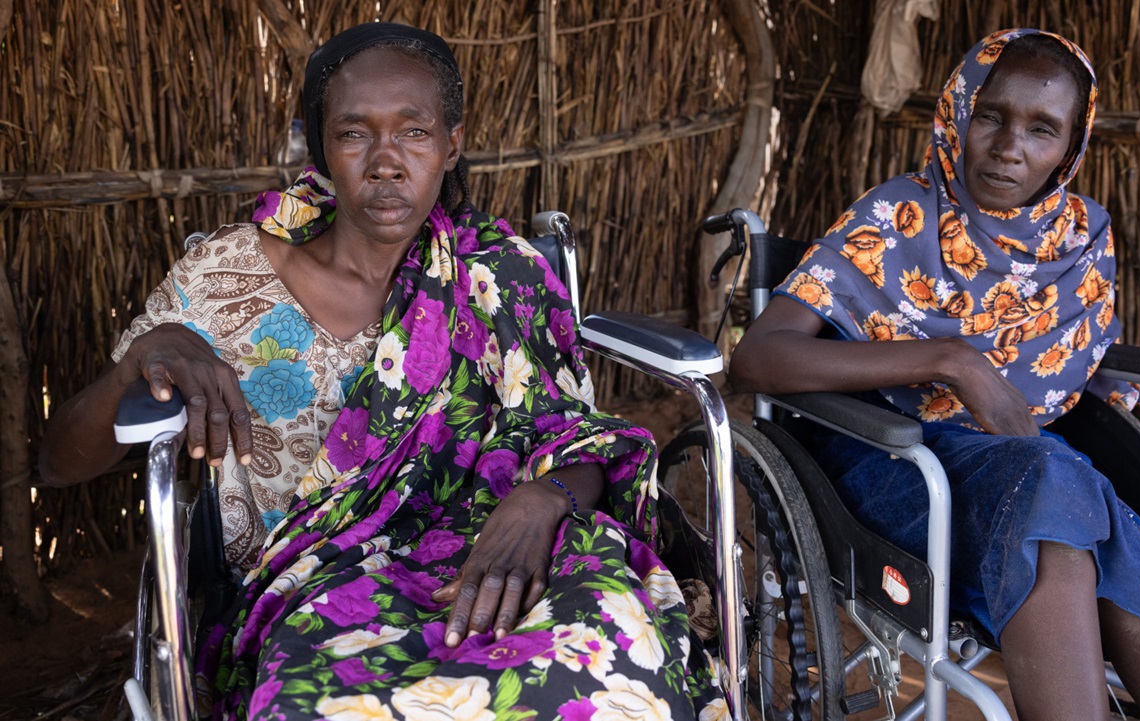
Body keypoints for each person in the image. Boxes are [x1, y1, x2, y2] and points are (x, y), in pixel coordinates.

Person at [40, 22, 724, 721]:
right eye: (354, 132)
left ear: (451, 145)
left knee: (617, 662)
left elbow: (575, 439)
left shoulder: (500, 274)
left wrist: (543, 498)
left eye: (414, 133)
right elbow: (61, 460)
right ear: (319, 147)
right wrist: (142, 352)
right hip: (314, 590)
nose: (386, 160)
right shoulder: (224, 279)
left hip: (513, 555)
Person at [729, 28, 1140, 721]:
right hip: (895, 458)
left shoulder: (1080, 236)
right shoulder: (895, 216)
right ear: (957, 111)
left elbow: (1085, 354)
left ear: (1071, 144)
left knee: (1064, 496)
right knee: (1060, 485)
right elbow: (759, 357)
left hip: (1030, 469)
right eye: (992, 115)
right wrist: (949, 360)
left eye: (1042, 128)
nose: (1009, 146)